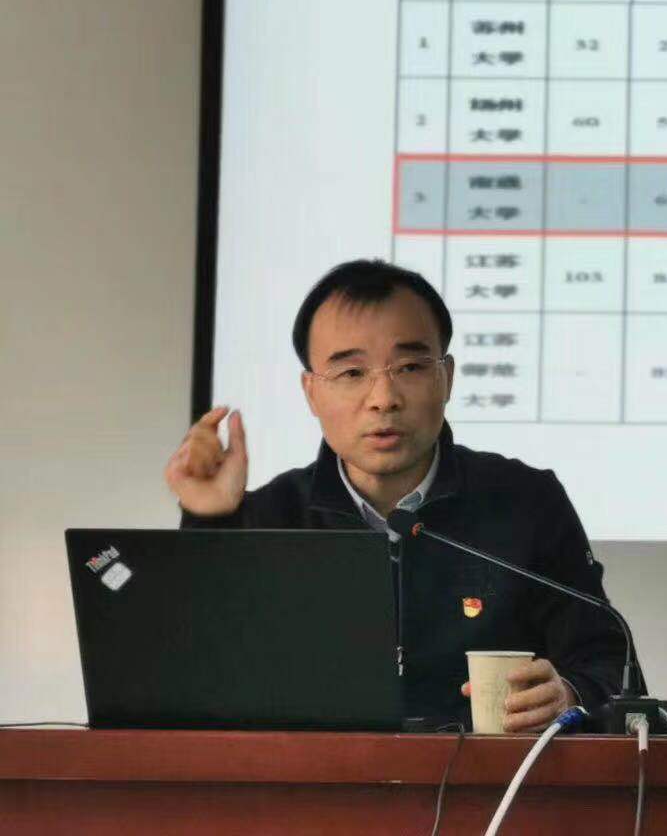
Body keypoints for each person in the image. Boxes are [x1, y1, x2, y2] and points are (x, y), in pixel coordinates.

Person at [164, 259, 631, 730]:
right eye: (351, 373)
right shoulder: (270, 517)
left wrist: (569, 696)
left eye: (409, 367)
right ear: (311, 392)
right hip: (313, 777)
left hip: (495, 777)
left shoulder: (527, 503)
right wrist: (208, 521)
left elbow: (611, 667)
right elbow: (191, 681)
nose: (383, 398)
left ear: (447, 377)